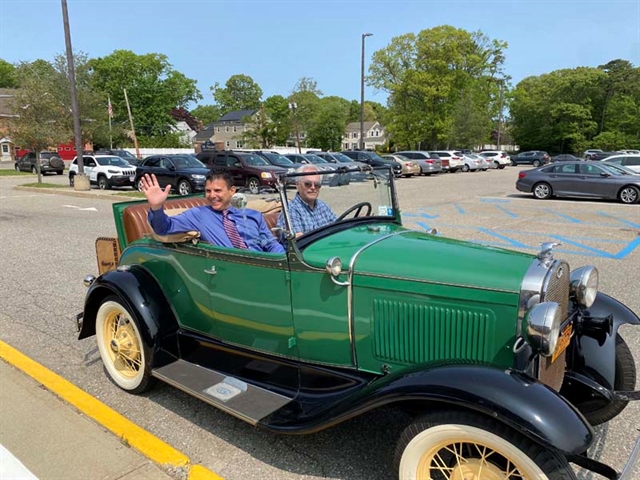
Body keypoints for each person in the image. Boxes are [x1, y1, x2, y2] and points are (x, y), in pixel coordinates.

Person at [140, 169, 285, 253]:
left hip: (263, 267)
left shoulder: (253, 215)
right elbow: (164, 228)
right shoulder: (198, 215)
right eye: (208, 191)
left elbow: (270, 244)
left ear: (232, 191)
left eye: (217, 190)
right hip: (229, 271)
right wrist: (156, 207)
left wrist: (284, 262)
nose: (212, 195)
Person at [277, 165, 337, 237]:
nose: (313, 188)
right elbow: (300, 242)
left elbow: (338, 227)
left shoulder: (323, 206)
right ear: (297, 185)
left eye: (317, 184)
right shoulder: (291, 210)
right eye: (307, 184)